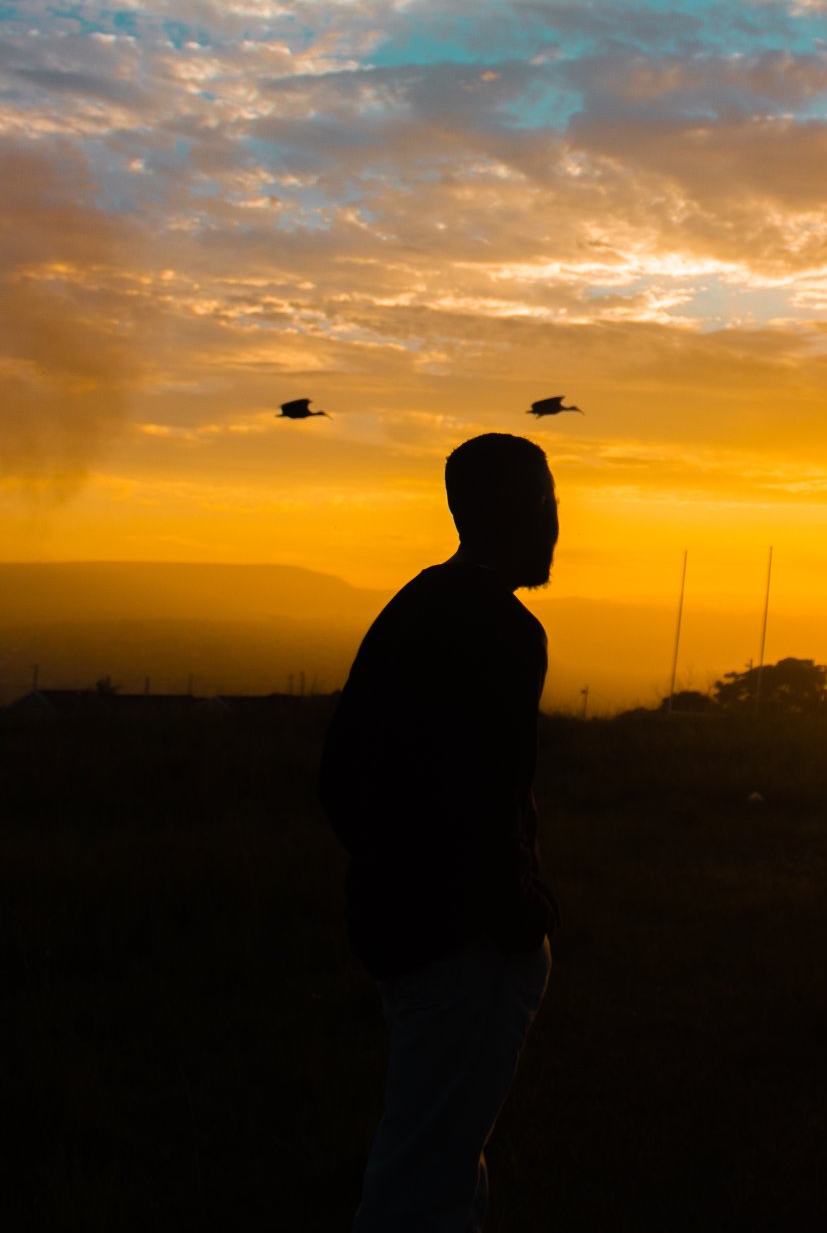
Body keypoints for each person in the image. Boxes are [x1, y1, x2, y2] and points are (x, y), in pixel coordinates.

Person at [319, 432, 561, 1232]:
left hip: (407, 930)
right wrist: (519, 921)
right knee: (424, 1174)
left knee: (441, 1156)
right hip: (463, 943)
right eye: (546, 503)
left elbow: (342, 781)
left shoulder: (413, 608)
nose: (557, 523)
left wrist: (393, 880)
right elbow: (492, 802)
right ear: (513, 513)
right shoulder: (503, 631)